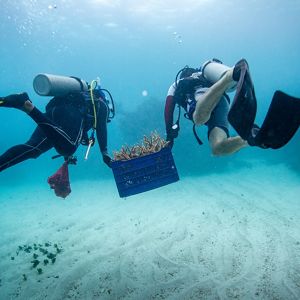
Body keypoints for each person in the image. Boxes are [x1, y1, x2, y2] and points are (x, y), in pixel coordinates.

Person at [164, 58, 300, 153]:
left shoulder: (178, 84)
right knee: (218, 148)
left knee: (199, 119)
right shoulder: (202, 74)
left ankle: (230, 75)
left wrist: (170, 135)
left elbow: (168, 108)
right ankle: (252, 138)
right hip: (220, 100)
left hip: (206, 101)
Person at [0, 87, 112, 173]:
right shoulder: (102, 106)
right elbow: (101, 129)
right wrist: (104, 152)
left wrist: (67, 158)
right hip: (70, 114)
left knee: (33, 149)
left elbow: (64, 134)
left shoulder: (80, 101)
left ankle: (23, 102)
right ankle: (30, 109)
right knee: (69, 148)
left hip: (54, 112)